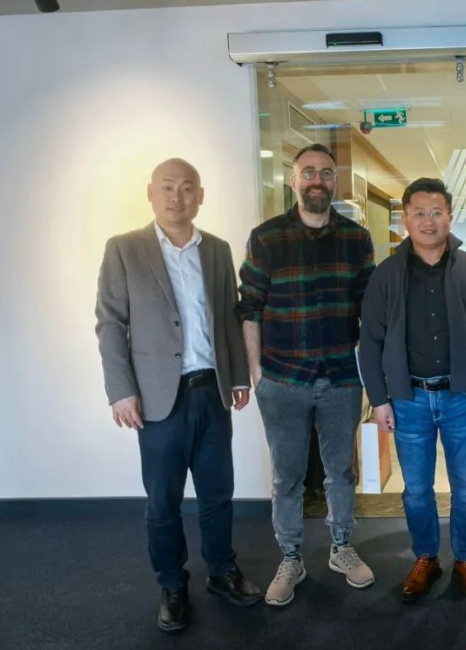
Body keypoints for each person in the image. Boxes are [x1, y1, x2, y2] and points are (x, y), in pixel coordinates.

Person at [95, 158, 261, 633]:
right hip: (156, 400)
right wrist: (121, 390)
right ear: (151, 193)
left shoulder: (218, 249)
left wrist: (238, 377)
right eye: (167, 187)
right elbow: (110, 323)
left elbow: (228, 316)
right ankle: (171, 583)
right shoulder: (124, 249)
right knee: (163, 500)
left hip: (211, 390)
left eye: (187, 188)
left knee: (218, 493)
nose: (177, 196)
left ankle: (222, 570)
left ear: (200, 196)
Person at [238, 144, 375, 606]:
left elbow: (370, 312)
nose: (318, 180)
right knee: (287, 477)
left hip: (340, 376)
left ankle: (341, 547)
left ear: (335, 182)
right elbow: (249, 307)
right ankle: (291, 557)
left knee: (341, 471)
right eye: (309, 172)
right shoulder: (266, 238)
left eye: (326, 173)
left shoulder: (357, 240)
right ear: (293, 180)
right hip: (282, 379)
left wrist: (373, 377)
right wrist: (256, 372)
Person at [358, 178, 466, 604]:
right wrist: (379, 399)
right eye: (419, 213)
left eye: (436, 212)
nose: (428, 220)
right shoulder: (387, 274)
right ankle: (426, 556)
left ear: (450, 218)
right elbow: (370, 342)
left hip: (462, 397)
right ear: (404, 219)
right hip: (409, 400)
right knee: (417, 490)